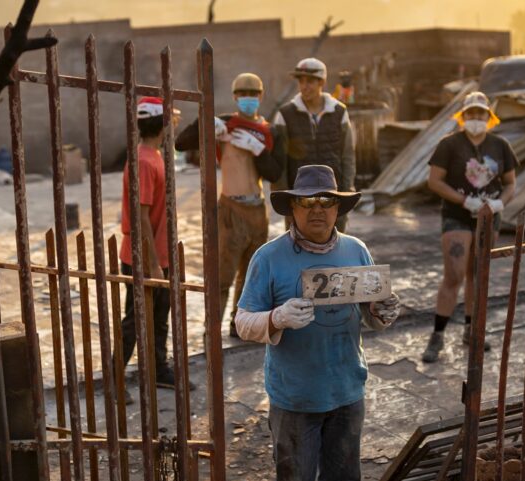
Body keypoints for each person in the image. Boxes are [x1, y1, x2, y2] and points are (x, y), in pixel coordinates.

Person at [234, 164, 400, 481]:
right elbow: (240, 321)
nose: (318, 210)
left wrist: (385, 309)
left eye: (327, 201)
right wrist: (275, 318)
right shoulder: (269, 258)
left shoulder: (356, 250)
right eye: (307, 202)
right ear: (292, 208)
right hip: (294, 397)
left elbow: (373, 312)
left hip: (346, 388)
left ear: (338, 208)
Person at [176, 72, 282, 338]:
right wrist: (205, 122)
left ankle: (239, 324)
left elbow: (274, 173)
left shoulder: (268, 131)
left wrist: (259, 150)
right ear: (235, 97)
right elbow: (181, 144)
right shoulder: (226, 124)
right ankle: (211, 328)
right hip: (230, 209)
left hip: (257, 210)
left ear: (261, 96)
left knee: (250, 275)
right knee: (222, 275)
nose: (248, 99)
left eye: (253, 94)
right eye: (243, 94)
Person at [422, 91, 517, 363]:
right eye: (471, 113)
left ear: (489, 117)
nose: (476, 118)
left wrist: (500, 204)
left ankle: (471, 330)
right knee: (454, 274)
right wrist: (465, 201)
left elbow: (510, 182)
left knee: (478, 274)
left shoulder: (501, 146)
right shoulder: (449, 145)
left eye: (481, 113)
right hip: (457, 215)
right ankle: (437, 335)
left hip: (490, 217)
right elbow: (435, 181)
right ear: (463, 116)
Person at [119, 97, 182, 388]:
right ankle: (114, 377)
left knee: (159, 317)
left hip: (159, 255)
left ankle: (159, 370)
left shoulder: (154, 154)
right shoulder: (144, 161)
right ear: (162, 125)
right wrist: (154, 263)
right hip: (145, 257)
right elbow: (140, 215)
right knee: (135, 320)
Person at [273, 58, 356, 231]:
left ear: (322, 82)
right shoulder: (285, 114)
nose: (304, 86)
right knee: (298, 251)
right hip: (300, 200)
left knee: (335, 250)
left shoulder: (339, 112)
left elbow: (347, 155)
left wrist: (347, 190)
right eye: (301, 81)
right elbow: (280, 163)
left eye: (310, 81)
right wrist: (286, 201)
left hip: (333, 198)